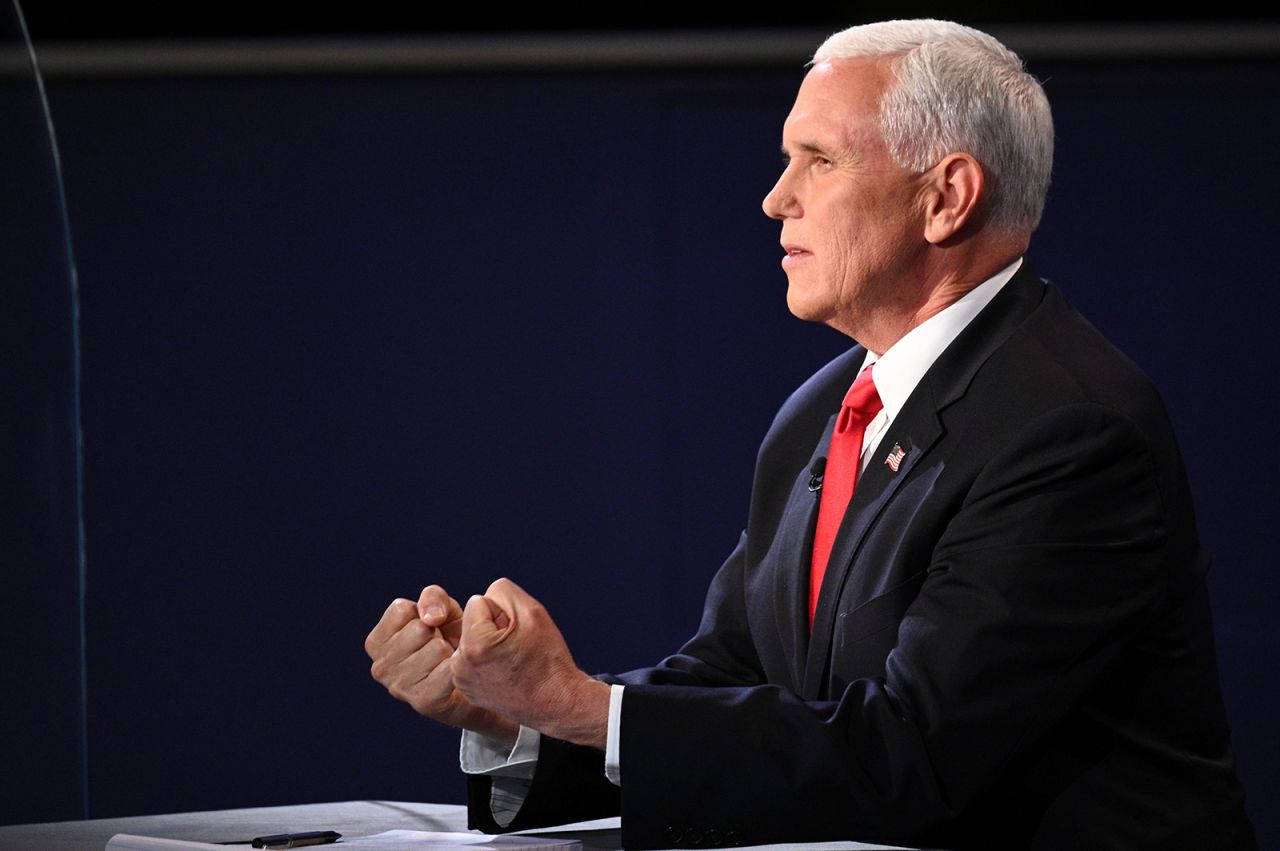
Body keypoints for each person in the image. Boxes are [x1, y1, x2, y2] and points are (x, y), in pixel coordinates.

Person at [365, 19, 1255, 850]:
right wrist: (521, 716)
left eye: (818, 160)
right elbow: (734, 673)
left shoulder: (1068, 428)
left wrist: (585, 708)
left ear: (945, 197)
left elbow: (918, 753)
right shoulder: (823, 410)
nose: (773, 198)